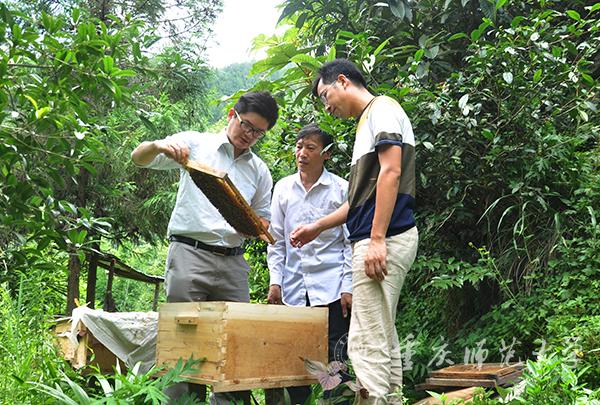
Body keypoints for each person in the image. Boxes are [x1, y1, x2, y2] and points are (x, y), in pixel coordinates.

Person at [131, 91, 279, 404]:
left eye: (258, 132)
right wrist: (159, 146)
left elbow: (262, 219)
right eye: (246, 125)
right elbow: (138, 157)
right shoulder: (196, 143)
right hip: (189, 255)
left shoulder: (259, 170)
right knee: (183, 342)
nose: (249, 135)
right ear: (231, 114)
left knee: (233, 343)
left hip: (233, 264)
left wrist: (257, 227)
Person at [289, 59, 418, 404]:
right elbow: (361, 199)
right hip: (378, 235)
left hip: (385, 237)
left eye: (325, 94)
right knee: (381, 333)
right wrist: (317, 226)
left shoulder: (382, 108)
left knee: (365, 339)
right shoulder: (368, 123)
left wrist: (376, 239)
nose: (325, 105)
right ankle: (392, 399)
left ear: (343, 81)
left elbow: (391, 171)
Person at [266, 123, 352, 405]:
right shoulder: (283, 188)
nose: (302, 153)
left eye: (310, 148)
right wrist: (275, 282)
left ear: (325, 154)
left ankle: (336, 401)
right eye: (299, 146)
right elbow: (276, 240)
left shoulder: (341, 189)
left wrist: (348, 286)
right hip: (293, 289)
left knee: (335, 359)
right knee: (295, 358)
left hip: (331, 288)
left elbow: (350, 242)